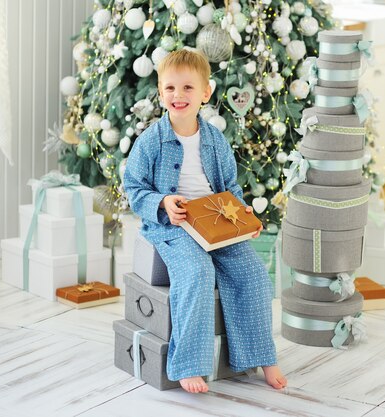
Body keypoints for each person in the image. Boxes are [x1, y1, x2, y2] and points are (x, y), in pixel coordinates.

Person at [123, 49, 287, 394]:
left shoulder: (214, 140)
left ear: (205, 93)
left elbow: (229, 188)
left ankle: (262, 356)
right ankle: (188, 364)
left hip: (216, 222)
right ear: (159, 91)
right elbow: (134, 188)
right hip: (174, 225)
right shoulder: (151, 141)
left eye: (187, 88)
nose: (178, 96)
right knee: (197, 273)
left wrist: (244, 215)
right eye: (170, 88)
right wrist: (163, 202)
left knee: (254, 274)